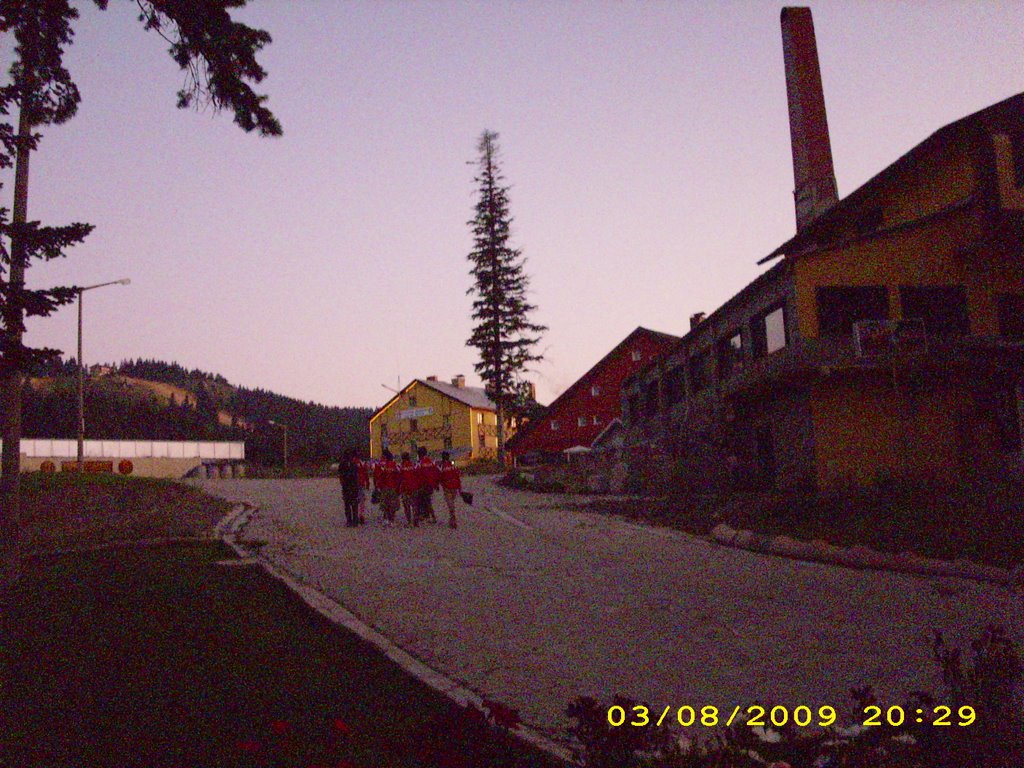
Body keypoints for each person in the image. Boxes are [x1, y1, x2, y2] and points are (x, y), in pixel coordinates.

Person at [373, 449, 401, 526]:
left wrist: (377, 486)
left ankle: (386, 519)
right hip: (393, 487)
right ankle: (392, 519)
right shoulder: (395, 465)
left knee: (385, 504)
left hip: (385, 487)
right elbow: (399, 477)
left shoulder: (382, 466)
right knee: (393, 504)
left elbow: (379, 476)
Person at [415, 446, 440, 524]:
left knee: (421, 501)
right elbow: (437, 473)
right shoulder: (431, 462)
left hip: (422, 485)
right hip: (430, 485)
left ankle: (429, 517)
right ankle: (428, 516)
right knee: (427, 501)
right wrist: (436, 484)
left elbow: (416, 474)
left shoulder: (420, 463)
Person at [438, 451, 461, 529]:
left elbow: (440, 477)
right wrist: (459, 488)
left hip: (447, 487)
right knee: (452, 503)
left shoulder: (442, 467)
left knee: (450, 504)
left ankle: (453, 519)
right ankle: (452, 519)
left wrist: (439, 485)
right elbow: (457, 477)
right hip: (454, 486)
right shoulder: (453, 466)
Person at [338, 448, 361, 527]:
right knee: (354, 504)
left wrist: (343, 483)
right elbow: (356, 475)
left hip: (347, 486)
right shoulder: (353, 464)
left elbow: (341, 475)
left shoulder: (342, 464)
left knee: (347, 504)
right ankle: (355, 520)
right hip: (353, 486)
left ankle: (349, 520)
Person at [398, 451, 420, 527]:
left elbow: (400, 478)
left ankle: (409, 522)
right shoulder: (414, 465)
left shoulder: (401, 467)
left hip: (405, 488)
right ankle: (416, 520)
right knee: (415, 505)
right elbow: (417, 476)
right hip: (414, 486)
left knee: (407, 506)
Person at [356, 456, 370, 524]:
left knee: (355, 500)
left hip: (353, 484)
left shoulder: (352, 463)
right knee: (361, 500)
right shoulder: (362, 463)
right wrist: (367, 483)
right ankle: (361, 515)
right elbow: (365, 473)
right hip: (361, 483)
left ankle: (355, 515)